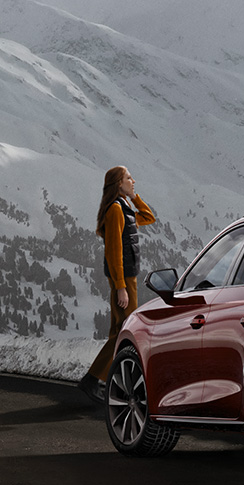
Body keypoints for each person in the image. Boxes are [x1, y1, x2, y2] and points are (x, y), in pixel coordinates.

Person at [77, 166, 156, 403]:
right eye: (129, 178)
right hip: (124, 280)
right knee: (127, 331)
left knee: (119, 331)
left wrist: (135, 197)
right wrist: (121, 286)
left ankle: (100, 380)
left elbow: (149, 217)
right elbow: (114, 252)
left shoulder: (125, 208)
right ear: (118, 183)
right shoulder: (115, 210)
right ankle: (95, 379)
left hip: (127, 278)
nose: (134, 181)